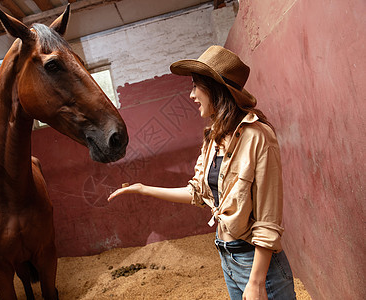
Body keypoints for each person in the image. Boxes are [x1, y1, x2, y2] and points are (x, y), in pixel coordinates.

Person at [107, 45, 296, 300]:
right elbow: (197, 192)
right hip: (227, 257)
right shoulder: (213, 138)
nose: (192, 95)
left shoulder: (258, 136)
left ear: (216, 90)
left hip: (257, 265)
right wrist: (143, 189)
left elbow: (268, 219)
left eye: (196, 86)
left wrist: (256, 282)